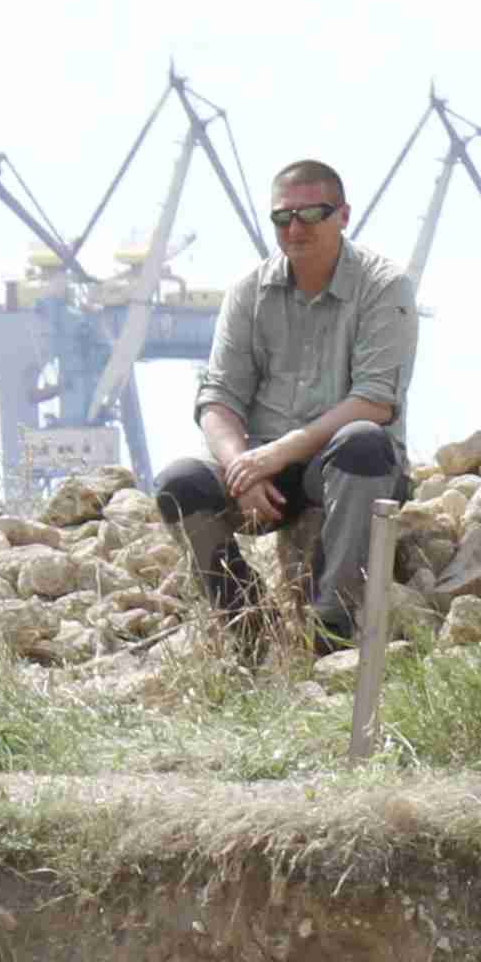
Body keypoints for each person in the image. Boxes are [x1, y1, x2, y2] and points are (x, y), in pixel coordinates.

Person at [151, 158, 416, 651]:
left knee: (362, 442)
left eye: (312, 214)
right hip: (267, 473)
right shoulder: (248, 292)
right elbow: (218, 398)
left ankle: (331, 631)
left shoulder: (384, 285)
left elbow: (376, 401)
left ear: (343, 216)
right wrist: (242, 467)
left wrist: (274, 454)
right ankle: (248, 629)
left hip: (347, 467)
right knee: (178, 483)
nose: (295, 228)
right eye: (282, 217)